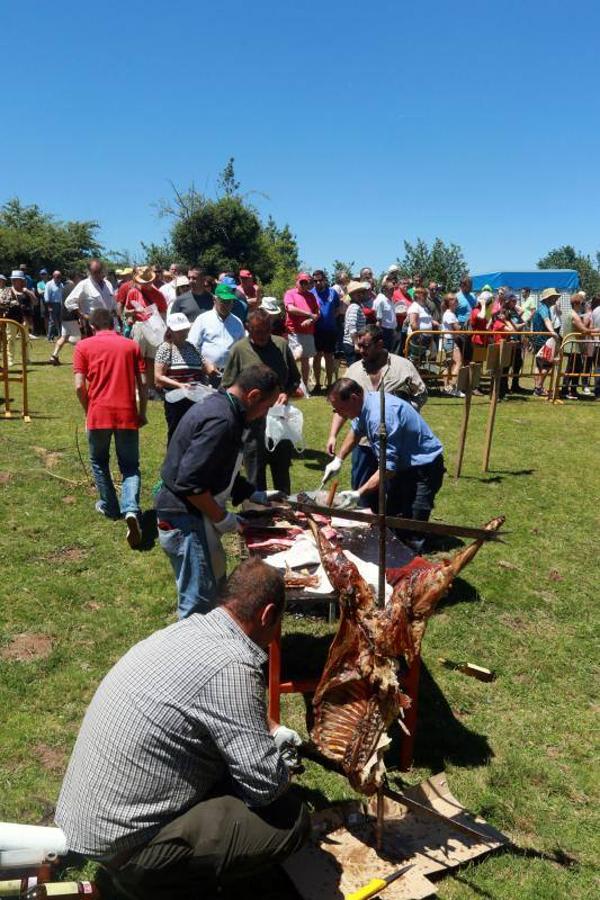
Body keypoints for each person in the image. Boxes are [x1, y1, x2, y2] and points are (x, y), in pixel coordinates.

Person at [55, 557, 309, 900]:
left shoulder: (189, 632)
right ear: (267, 616)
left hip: (85, 822)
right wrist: (281, 761)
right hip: (124, 847)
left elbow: (206, 701)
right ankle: (159, 882)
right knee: (291, 819)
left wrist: (270, 727)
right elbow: (264, 786)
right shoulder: (234, 665)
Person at [155, 365, 281, 617]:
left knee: (211, 590)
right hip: (186, 516)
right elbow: (191, 483)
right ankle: (193, 654)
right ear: (253, 396)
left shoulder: (224, 407)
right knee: (198, 602)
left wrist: (251, 493)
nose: (264, 414)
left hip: (192, 511)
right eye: (266, 406)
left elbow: (216, 467)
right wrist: (223, 519)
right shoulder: (221, 421)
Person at [323, 378, 444, 552]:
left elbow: (387, 468)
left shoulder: (380, 417)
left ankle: (411, 563)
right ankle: (393, 556)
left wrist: (359, 492)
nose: (338, 413)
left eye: (339, 408)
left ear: (354, 398)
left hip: (423, 467)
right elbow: (356, 431)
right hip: (403, 466)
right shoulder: (364, 405)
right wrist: (339, 459)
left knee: (412, 525)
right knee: (393, 518)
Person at [326, 325, 427, 509]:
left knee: (397, 493)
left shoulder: (403, 367)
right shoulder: (354, 370)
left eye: (365, 346)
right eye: (358, 346)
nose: (359, 350)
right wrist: (333, 435)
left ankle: (393, 529)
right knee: (362, 496)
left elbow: (421, 394)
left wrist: (404, 410)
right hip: (364, 444)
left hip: (395, 443)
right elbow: (341, 408)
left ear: (380, 344)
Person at [73, 308, 147, 547]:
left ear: (93, 326)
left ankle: (110, 506)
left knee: (99, 461)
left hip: (99, 412)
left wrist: (88, 409)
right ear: (114, 323)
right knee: (130, 466)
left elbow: (78, 386)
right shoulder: (131, 346)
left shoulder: (83, 347)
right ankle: (131, 509)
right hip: (126, 413)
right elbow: (143, 384)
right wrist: (142, 412)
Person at [222, 309, 301, 494]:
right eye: (258, 332)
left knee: (282, 473)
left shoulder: (280, 345)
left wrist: (286, 393)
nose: (264, 336)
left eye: (267, 330)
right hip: (252, 425)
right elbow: (226, 387)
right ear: (248, 329)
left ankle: (286, 513)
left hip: (280, 421)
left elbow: (295, 379)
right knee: (255, 477)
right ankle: (257, 516)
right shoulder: (239, 350)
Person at [154, 312, 207, 443]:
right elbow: (158, 377)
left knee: (194, 434)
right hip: (176, 400)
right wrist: (180, 385)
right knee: (176, 434)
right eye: (180, 330)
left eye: (185, 330)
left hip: (195, 399)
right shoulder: (166, 348)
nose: (183, 333)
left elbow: (202, 368)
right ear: (171, 330)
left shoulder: (192, 347)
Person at [124, 266, 168, 397]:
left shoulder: (158, 294)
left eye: (148, 282)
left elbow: (163, 311)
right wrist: (134, 312)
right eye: (143, 282)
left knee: (152, 359)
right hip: (139, 327)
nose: (146, 285)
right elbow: (126, 311)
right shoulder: (133, 292)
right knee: (138, 358)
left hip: (154, 328)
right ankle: (137, 389)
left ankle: (150, 388)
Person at [188, 283, 245, 384]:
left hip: (231, 375)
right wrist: (204, 364)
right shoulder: (203, 319)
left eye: (229, 301)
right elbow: (191, 346)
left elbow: (242, 348)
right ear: (214, 300)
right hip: (206, 374)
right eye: (223, 301)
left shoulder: (237, 322)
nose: (227, 305)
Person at [284, 273, 320, 387]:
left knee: (306, 360)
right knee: (294, 358)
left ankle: (304, 387)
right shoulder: (290, 293)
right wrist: (308, 314)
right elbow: (290, 308)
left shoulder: (311, 296)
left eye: (307, 282)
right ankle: (291, 385)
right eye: (302, 282)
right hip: (294, 331)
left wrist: (311, 320)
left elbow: (317, 313)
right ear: (297, 281)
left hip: (308, 331)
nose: (304, 285)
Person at [65, 258, 117, 334]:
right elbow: (69, 302)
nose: (98, 274)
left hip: (108, 324)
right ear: (89, 272)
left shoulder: (108, 284)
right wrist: (83, 315)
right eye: (95, 272)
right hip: (92, 325)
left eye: (99, 271)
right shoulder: (84, 284)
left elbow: (113, 303)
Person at [311, 269, 341, 392]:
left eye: (320, 280)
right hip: (315, 330)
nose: (318, 283)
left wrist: (331, 318)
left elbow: (338, 308)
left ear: (325, 280)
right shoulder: (310, 293)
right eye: (315, 281)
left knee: (329, 357)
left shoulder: (333, 293)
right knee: (316, 357)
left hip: (330, 330)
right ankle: (317, 384)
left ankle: (329, 384)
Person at [0, 271, 36, 365]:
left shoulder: (27, 291)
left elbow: (35, 302)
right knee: (10, 339)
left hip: (25, 319)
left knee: (26, 340)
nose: (13, 281)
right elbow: (1, 303)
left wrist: (27, 291)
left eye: (16, 280)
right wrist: (10, 303)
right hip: (11, 318)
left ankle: (26, 359)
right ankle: (10, 360)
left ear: (21, 281)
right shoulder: (7, 290)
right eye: (13, 279)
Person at [560, 294, 591, 399]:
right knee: (571, 369)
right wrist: (596, 331)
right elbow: (584, 330)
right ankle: (565, 391)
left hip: (573, 346)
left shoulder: (571, 313)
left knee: (576, 368)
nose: (583, 305)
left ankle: (572, 390)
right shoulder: (574, 315)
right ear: (577, 304)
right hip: (573, 346)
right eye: (582, 303)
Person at [531, 287, 561, 397]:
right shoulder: (543, 309)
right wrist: (553, 332)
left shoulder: (543, 308)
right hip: (543, 340)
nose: (555, 299)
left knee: (538, 365)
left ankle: (537, 388)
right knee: (547, 365)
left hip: (538, 340)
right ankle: (538, 387)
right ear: (548, 298)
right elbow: (547, 320)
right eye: (554, 297)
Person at [50, 274, 83, 365]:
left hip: (64, 315)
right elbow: (77, 302)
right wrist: (80, 315)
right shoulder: (75, 287)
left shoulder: (64, 287)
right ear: (76, 277)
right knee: (79, 339)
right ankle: (80, 359)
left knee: (64, 337)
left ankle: (54, 355)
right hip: (72, 315)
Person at [406, 286, 435, 367]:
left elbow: (427, 320)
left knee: (420, 360)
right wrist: (419, 336)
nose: (426, 296)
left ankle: (418, 376)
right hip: (417, 338)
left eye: (426, 294)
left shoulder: (424, 307)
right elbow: (413, 323)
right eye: (424, 294)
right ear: (417, 295)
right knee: (414, 359)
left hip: (425, 337)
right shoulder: (415, 306)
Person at [441, 293, 464, 396]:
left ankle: (447, 388)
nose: (456, 301)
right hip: (449, 340)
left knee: (449, 364)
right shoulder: (449, 314)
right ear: (448, 302)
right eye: (453, 299)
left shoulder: (451, 313)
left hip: (448, 340)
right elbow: (457, 328)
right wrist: (462, 327)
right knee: (458, 362)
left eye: (455, 299)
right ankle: (451, 387)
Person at [342, 281, 369, 364]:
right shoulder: (354, 307)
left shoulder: (357, 306)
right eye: (357, 293)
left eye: (361, 292)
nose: (360, 294)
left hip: (353, 343)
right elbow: (352, 327)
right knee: (354, 371)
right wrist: (356, 344)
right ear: (351, 295)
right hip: (352, 344)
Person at [373, 279, 397, 350]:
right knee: (384, 352)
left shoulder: (390, 300)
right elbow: (378, 320)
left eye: (393, 289)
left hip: (391, 331)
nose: (393, 291)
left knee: (390, 352)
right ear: (384, 289)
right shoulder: (381, 301)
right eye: (391, 289)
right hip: (384, 331)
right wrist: (379, 336)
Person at [43, 270, 63, 344]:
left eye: (60, 276)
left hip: (60, 304)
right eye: (57, 276)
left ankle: (60, 336)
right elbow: (46, 296)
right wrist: (49, 306)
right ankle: (50, 337)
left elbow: (62, 295)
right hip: (52, 304)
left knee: (60, 321)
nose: (59, 278)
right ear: (53, 276)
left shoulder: (61, 284)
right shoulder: (49, 284)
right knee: (52, 322)